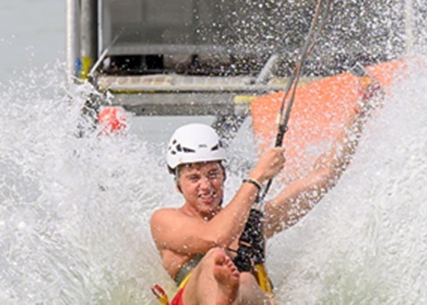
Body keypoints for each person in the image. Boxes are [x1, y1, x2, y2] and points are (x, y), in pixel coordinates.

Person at [151, 88, 377, 305]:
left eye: (213, 174)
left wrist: (361, 110)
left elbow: (326, 174)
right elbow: (214, 237)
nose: (206, 186)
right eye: (193, 178)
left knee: (247, 279)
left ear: (224, 175)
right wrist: (257, 176)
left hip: (251, 299)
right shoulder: (165, 221)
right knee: (214, 258)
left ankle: (231, 294)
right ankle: (223, 295)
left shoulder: (252, 222)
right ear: (178, 186)